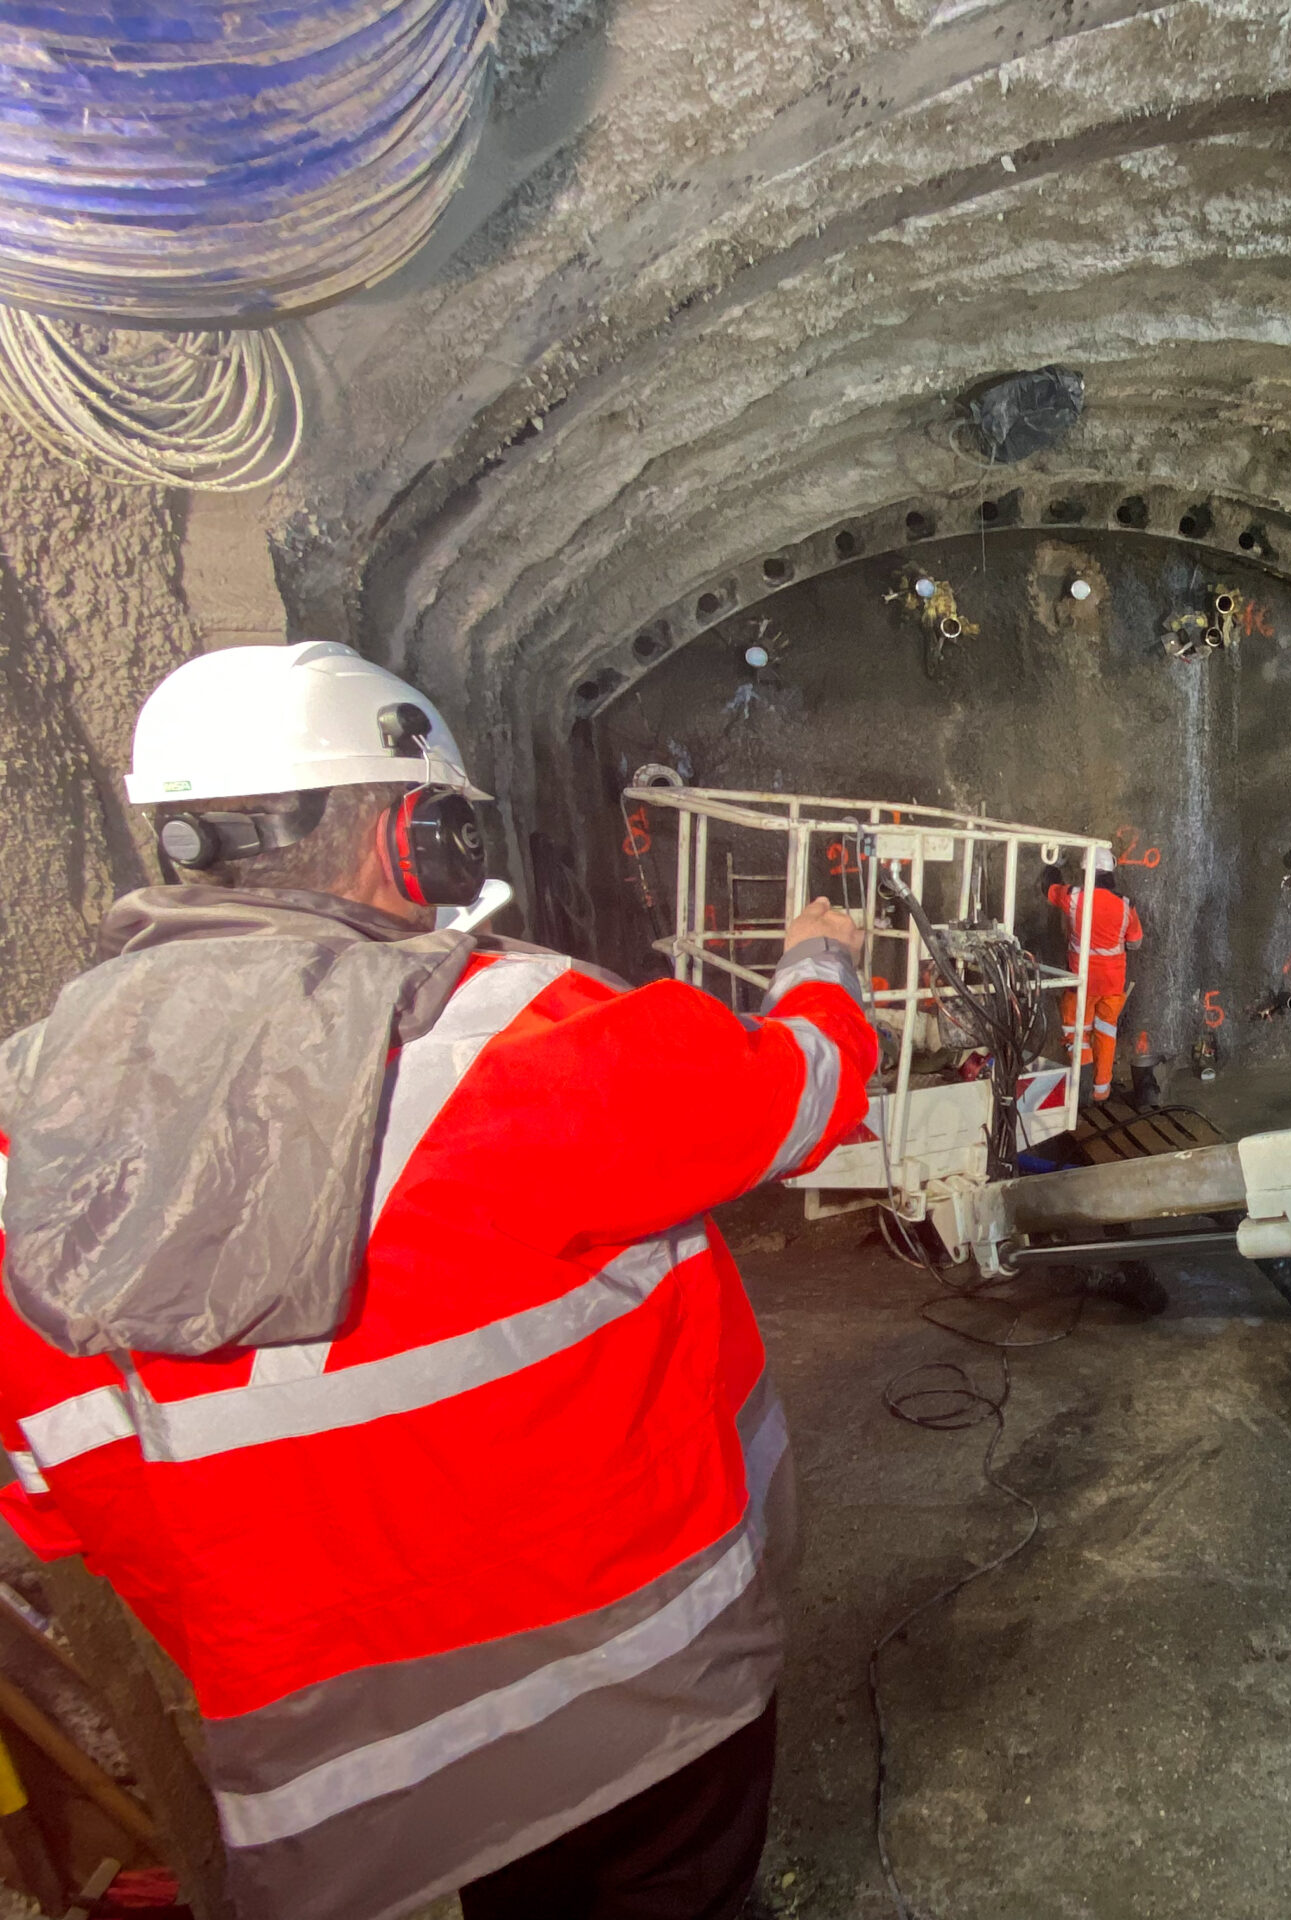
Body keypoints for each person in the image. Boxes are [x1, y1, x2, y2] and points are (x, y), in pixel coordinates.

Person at [0, 642, 878, 1920]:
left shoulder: (30, 1114)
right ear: (415, 840)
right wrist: (820, 960)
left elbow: (52, 1494)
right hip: (633, 1689)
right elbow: (798, 1091)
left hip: (342, 1764)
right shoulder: (526, 1040)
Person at [1043, 849, 1143, 1101]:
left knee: (1075, 1031)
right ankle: (1101, 1091)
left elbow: (1048, 888)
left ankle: (1084, 1086)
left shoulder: (1074, 897)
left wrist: (1054, 865)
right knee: (1106, 1033)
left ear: (1086, 871)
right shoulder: (1126, 904)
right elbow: (1135, 942)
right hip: (1113, 984)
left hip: (1082, 982)